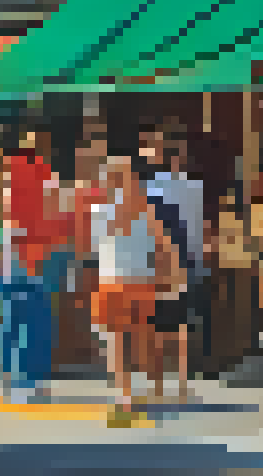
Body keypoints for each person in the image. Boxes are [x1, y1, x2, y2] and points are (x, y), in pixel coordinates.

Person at [91, 154, 185, 427]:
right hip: (141, 282)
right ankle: (149, 390)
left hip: (112, 281)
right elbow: (165, 245)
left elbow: (99, 243)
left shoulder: (101, 210)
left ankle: (126, 397)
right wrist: (174, 274)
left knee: (117, 343)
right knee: (143, 339)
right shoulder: (146, 210)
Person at [0, 129, 73, 404]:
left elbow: (7, 216)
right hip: (36, 257)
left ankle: (11, 378)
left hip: (12, 256)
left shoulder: (9, 174)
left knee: (12, 319)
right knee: (35, 321)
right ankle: (31, 382)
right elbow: (55, 218)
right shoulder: (46, 176)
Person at [142, 133, 207, 403]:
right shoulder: (195, 188)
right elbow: (197, 227)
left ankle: (156, 384)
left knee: (155, 326)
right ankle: (182, 384)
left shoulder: (147, 188)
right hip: (188, 260)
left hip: (156, 262)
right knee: (182, 324)